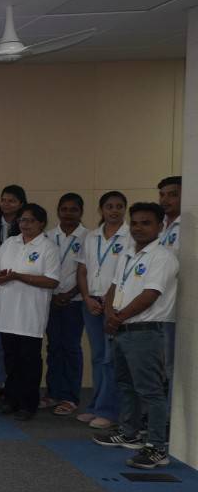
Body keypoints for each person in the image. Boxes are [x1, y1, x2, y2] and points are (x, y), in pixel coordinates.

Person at [92, 202, 179, 469]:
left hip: (145, 331)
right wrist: (109, 315)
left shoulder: (162, 257)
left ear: (160, 226)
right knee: (125, 385)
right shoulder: (129, 254)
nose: (139, 228)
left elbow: (150, 295)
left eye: (146, 223)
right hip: (122, 329)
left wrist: (118, 318)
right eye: (136, 223)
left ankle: (156, 447)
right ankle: (130, 433)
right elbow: (113, 288)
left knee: (151, 391)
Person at [0, 203, 60, 421]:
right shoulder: (9, 243)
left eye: (30, 220)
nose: (25, 224)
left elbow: (52, 281)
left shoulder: (48, 247)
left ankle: (29, 404)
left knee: (29, 360)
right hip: (7, 312)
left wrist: (18, 276)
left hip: (31, 314)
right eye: (22, 220)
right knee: (10, 359)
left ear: (41, 223)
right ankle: (11, 399)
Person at [76, 191, 128, 429]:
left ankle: (109, 411)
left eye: (119, 206)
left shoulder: (130, 236)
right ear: (101, 210)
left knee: (110, 359)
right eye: (109, 206)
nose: (114, 210)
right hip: (91, 303)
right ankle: (96, 406)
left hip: (115, 305)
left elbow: (125, 274)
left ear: (124, 209)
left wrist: (108, 301)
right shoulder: (91, 236)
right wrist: (86, 297)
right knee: (97, 357)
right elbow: (82, 271)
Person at [43, 193, 88, 416]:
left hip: (75, 301)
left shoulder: (89, 238)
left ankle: (70, 397)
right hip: (49, 300)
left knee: (71, 348)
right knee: (53, 347)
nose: (68, 213)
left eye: (73, 209)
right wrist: (52, 295)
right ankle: (53, 393)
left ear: (81, 212)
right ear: (58, 211)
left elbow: (87, 273)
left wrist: (70, 294)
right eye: (64, 209)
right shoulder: (48, 236)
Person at [0, 184, 28, 402]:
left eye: (12, 200)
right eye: (3, 199)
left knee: (19, 341)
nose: (6, 204)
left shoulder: (26, 228)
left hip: (20, 290)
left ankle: (16, 385)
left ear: (21, 204)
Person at [157, 175, 181, 403]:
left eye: (172, 195)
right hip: (152, 305)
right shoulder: (157, 225)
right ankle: (155, 414)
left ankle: (170, 418)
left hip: (176, 305)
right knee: (156, 364)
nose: (165, 200)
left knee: (172, 364)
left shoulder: (188, 227)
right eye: (162, 195)